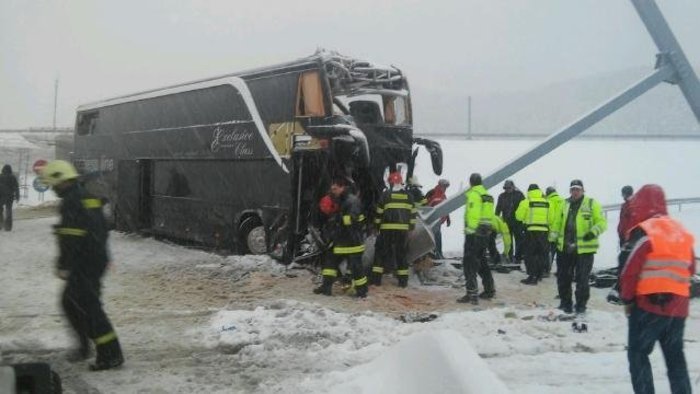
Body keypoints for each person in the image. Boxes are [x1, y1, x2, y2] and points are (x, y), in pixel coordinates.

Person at [39, 160, 124, 371]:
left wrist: (65, 264)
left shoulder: (72, 201)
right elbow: (102, 229)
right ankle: (86, 346)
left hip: (83, 263)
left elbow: (70, 238)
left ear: (61, 181)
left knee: (86, 307)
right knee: (74, 303)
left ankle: (111, 354)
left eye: (53, 185)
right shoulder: (87, 197)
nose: (53, 189)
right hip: (94, 260)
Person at [619, 184, 695, 394]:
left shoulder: (646, 232)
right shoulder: (681, 233)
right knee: (675, 358)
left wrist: (627, 300)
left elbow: (630, 272)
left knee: (638, 354)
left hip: (647, 308)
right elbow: (691, 268)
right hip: (678, 309)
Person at [549, 179, 607, 314]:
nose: (575, 192)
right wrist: (552, 240)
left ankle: (581, 306)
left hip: (584, 250)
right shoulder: (563, 204)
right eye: (573, 189)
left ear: (582, 190)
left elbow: (602, 222)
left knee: (582, 280)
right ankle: (565, 304)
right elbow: (557, 223)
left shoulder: (592, 204)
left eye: (577, 189)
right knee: (563, 278)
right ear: (570, 191)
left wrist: (593, 233)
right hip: (565, 249)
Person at [313, 178, 368, 298]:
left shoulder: (352, 201)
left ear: (342, 187)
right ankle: (326, 287)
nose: (333, 191)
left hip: (352, 241)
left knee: (356, 269)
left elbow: (353, 220)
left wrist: (337, 219)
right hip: (341, 240)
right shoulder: (342, 200)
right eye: (332, 189)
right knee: (329, 264)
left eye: (335, 189)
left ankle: (362, 292)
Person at [371, 171, 416, 287]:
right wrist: (411, 229)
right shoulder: (409, 196)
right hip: (402, 231)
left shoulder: (386, 195)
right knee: (401, 255)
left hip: (386, 230)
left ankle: (376, 281)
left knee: (380, 253)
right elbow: (413, 214)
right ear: (400, 182)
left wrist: (376, 227)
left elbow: (379, 213)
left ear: (390, 182)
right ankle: (403, 282)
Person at [457, 173, 495, 305]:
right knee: (482, 262)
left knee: (469, 264)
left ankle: (471, 294)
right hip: (485, 234)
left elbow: (473, 215)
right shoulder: (488, 196)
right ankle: (489, 290)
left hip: (474, 234)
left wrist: (470, 230)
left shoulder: (474, 194)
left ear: (471, 183)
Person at [515, 184, 553, 285]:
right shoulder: (548, 203)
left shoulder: (526, 202)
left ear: (529, 191)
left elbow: (518, 216)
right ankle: (539, 274)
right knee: (541, 254)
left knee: (529, 254)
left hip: (531, 231)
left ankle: (532, 276)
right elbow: (551, 219)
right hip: (544, 232)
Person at [607, 185, 635, 304]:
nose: (624, 195)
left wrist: (630, 238)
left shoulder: (634, 205)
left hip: (630, 240)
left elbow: (632, 223)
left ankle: (624, 290)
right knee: (624, 263)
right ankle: (622, 287)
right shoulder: (625, 205)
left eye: (625, 193)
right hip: (624, 238)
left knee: (626, 264)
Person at [495, 180, 525, 264]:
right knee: (508, 241)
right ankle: (510, 257)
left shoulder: (519, 195)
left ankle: (518, 258)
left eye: (509, 188)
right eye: (506, 188)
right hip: (506, 222)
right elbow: (498, 209)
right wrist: (496, 219)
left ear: (513, 187)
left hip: (517, 222)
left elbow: (524, 207)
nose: (508, 190)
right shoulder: (501, 196)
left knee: (519, 241)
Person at [425, 179, 451, 259]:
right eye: (444, 186)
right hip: (432, 219)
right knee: (436, 236)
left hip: (440, 220)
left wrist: (448, 218)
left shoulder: (444, 195)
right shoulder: (432, 192)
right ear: (440, 185)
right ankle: (435, 254)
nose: (445, 188)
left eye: (446, 187)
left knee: (438, 236)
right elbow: (425, 205)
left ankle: (438, 253)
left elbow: (445, 207)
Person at [545, 186, 564, 276]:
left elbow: (549, 216)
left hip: (552, 230)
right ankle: (560, 271)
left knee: (550, 251)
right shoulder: (563, 200)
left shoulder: (549, 201)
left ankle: (547, 270)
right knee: (560, 252)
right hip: (562, 230)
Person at [0, 164, 20, 231]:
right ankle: (8, 227)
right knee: (9, 211)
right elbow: (16, 187)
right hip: (9, 196)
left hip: (1, 196)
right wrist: (17, 196)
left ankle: (0, 224)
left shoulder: (0, 176)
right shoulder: (12, 177)